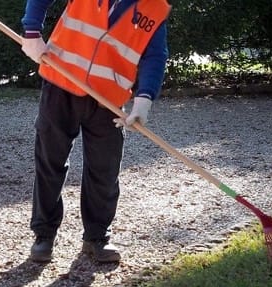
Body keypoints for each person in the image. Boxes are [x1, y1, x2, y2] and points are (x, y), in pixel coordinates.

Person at [20, 0, 170, 263]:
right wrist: (32, 32)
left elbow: (155, 55)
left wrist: (144, 98)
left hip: (108, 99)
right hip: (61, 81)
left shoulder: (155, 7)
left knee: (105, 169)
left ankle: (97, 238)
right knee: (49, 162)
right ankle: (44, 235)